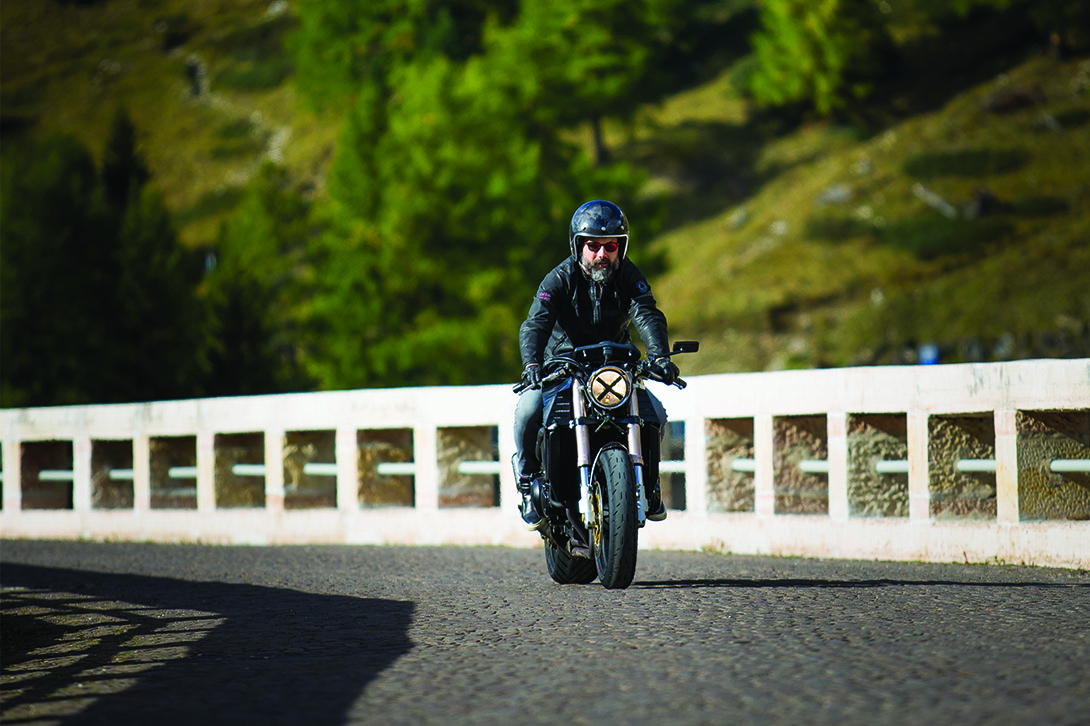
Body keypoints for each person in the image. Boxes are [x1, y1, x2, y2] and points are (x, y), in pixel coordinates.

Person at [513, 199, 679, 531]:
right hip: (563, 367)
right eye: (593, 246)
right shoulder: (559, 278)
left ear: (621, 248)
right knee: (528, 409)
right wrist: (532, 363)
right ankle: (528, 480)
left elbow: (646, 313)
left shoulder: (629, 276)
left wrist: (660, 356)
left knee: (655, 414)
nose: (602, 254)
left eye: (611, 246)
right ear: (579, 245)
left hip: (612, 369)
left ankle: (650, 482)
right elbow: (535, 324)